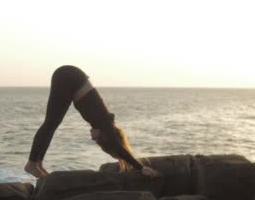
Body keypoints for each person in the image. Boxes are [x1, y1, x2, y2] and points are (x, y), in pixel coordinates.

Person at [25, 65, 161, 179]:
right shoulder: (104, 123)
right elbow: (118, 147)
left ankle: (38, 163)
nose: (93, 139)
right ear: (104, 136)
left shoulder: (100, 121)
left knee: (52, 124)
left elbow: (116, 145)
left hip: (71, 77)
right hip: (68, 77)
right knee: (50, 123)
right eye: (97, 141)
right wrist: (141, 168)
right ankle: (32, 164)